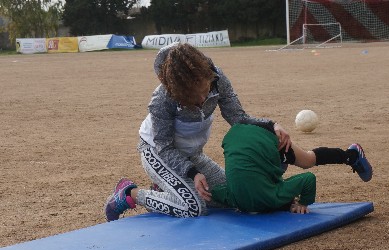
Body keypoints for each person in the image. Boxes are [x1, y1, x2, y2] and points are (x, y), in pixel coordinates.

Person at [105, 42, 291, 221]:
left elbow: (238, 118)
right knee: (193, 207)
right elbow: (165, 147)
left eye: (205, 90)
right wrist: (193, 173)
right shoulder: (162, 99)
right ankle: (129, 193)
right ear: (178, 92)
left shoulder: (217, 79)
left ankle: (166, 189)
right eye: (194, 97)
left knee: (233, 196)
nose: (203, 99)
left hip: (191, 154)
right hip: (157, 153)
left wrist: (270, 125)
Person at [211, 118, 372, 214]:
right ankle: (349, 156)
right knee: (271, 170)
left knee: (307, 160)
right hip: (236, 134)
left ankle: (352, 155)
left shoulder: (274, 196)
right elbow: (213, 193)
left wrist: (303, 203)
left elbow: (308, 179)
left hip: (266, 135)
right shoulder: (232, 199)